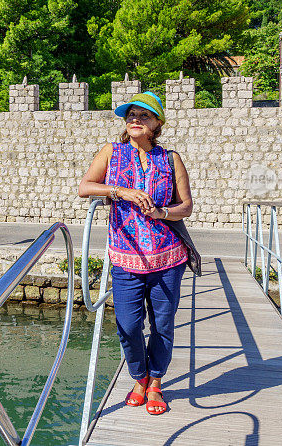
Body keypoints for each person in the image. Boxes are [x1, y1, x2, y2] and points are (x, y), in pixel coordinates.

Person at [78, 91, 193, 416]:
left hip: (168, 259)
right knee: (128, 326)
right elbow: (85, 186)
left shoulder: (170, 158)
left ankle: (154, 382)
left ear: (157, 123)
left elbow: (186, 206)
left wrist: (163, 214)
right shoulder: (112, 152)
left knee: (163, 325)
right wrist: (120, 191)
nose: (135, 120)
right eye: (130, 115)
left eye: (143, 115)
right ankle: (138, 376)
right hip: (125, 259)